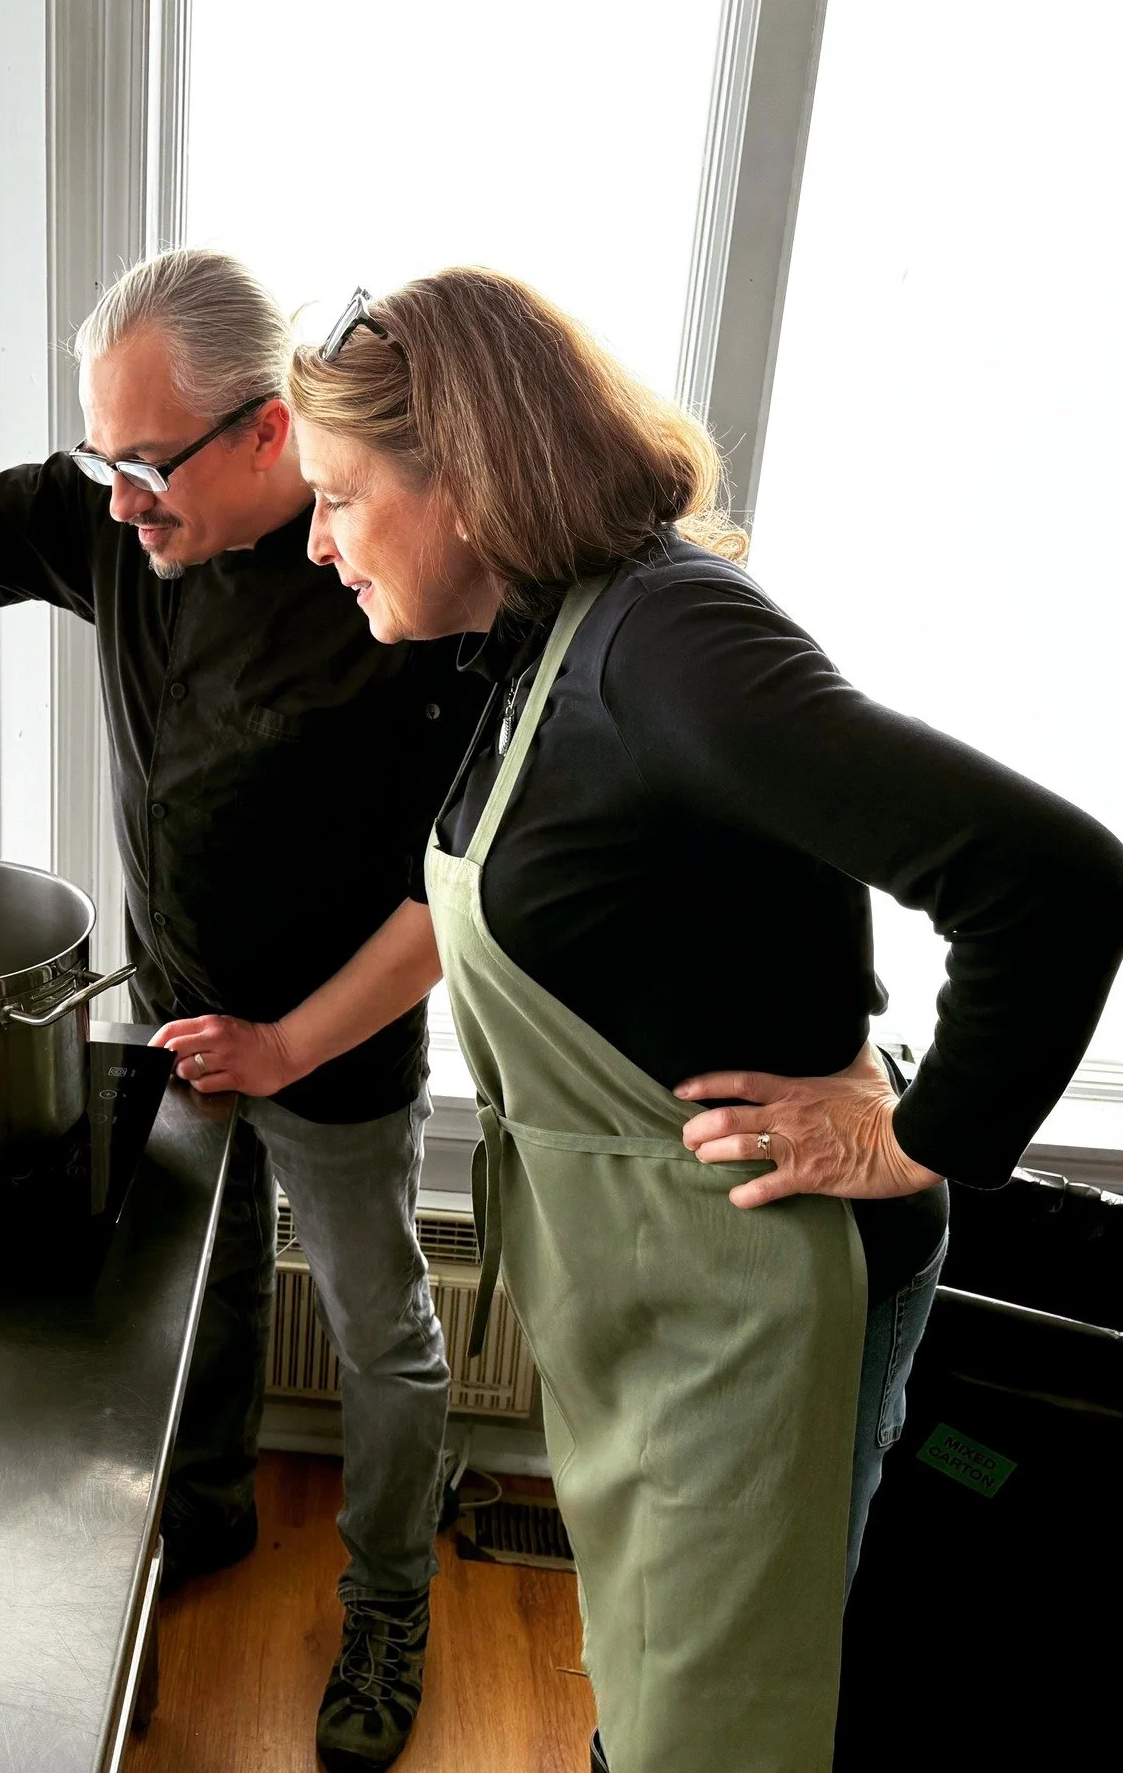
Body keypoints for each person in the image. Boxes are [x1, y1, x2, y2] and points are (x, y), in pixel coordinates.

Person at [286, 269, 1123, 1773]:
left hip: (768, 1296)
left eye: (338, 497)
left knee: (725, 1733)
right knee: (673, 1686)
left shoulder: (674, 648)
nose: (318, 540)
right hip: (670, 1293)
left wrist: (920, 1139)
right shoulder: (537, 635)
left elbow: (1053, 881)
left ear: (463, 480)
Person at [0, 248, 487, 1773]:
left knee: (382, 1335)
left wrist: (289, 1044)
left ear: (272, 433)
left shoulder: (393, 573)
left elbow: (449, 902)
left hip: (335, 1043)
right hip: (172, 1017)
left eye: (147, 464)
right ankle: (204, 1508)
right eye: (102, 457)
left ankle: (388, 1605)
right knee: (196, 1296)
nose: (119, 498)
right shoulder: (115, 516)